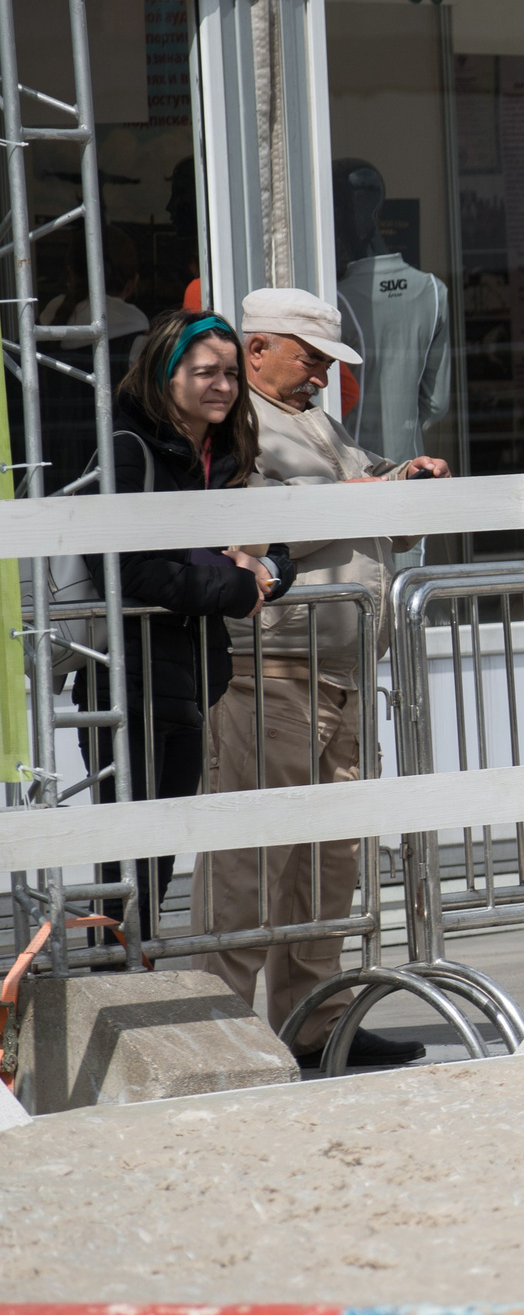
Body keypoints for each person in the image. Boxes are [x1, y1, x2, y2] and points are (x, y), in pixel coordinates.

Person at [201, 289, 449, 1069]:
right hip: (268, 670)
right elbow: (246, 533)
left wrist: (402, 480)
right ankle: (218, 1027)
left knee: (328, 860)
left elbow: (364, 501)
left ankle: (316, 1019)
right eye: (310, 359)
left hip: (332, 671)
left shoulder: (308, 419)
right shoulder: (235, 422)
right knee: (251, 862)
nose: (320, 376)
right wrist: (363, 495)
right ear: (260, 348)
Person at [86, 311, 294, 949]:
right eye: (207, 372)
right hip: (127, 675)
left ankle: (133, 959)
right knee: (129, 849)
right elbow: (123, 567)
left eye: (232, 373)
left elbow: (277, 550)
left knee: (163, 841)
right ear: (164, 375)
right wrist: (233, 585)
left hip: (193, 672)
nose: (224, 386)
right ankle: (111, 969)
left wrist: (264, 572)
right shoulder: (127, 448)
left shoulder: (228, 454)